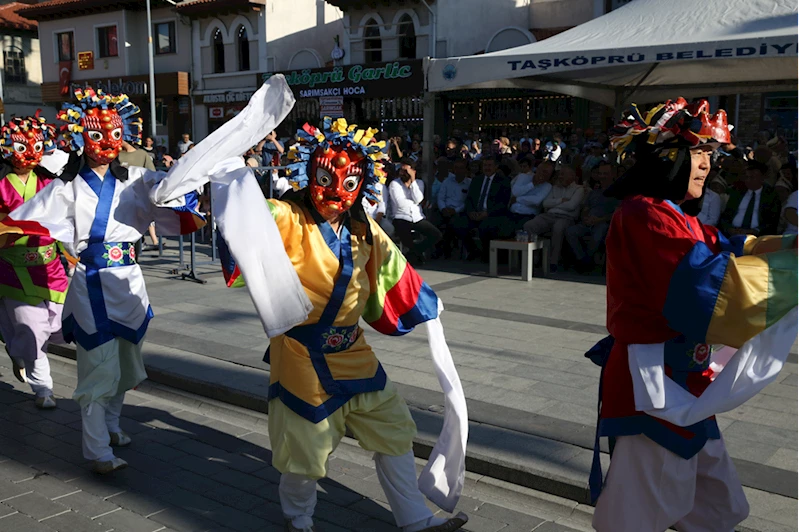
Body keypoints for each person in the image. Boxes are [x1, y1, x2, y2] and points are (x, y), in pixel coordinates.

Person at [0, 81, 288, 474]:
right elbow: (21, 222)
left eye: (115, 134)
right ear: (82, 135)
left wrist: (181, 186)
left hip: (130, 281)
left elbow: (177, 200)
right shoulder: (65, 188)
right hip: (91, 284)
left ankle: (113, 425)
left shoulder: (136, 179)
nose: (107, 141)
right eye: (97, 133)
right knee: (99, 367)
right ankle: (97, 448)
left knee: (125, 365)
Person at [213, 117, 468, 532]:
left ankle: (415, 519)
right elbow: (248, 220)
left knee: (394, 429)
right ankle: (299, 518)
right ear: (308, 172)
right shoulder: (287, 216)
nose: (335, 191)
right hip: (302, 354)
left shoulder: (363, 228)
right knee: (306, 450)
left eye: (349, 183)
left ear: (363, 183)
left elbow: (393, 271)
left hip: (354, 351)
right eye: (325, 177)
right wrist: (227, 178)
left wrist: (426, 304)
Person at [589, 97, 797, 532]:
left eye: (709, 155)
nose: (707, 164)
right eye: (699, 153)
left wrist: (788, 246)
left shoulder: (671, 214)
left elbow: (729, 245)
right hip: (655, 386)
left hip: (684, 380)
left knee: (715, 506)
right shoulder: (645, 213)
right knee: (637, 517)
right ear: (668, 156)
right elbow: (706, 287)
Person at [0, 114, 68, 409]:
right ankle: (44, 389)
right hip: (13, 268)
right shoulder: (1, 183)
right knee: (30, 326)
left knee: (57, 325)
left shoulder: (50, 182)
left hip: (51, 266)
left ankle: (18, 352)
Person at [523, 165, 585, 272]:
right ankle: (533, 259)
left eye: (563, 174)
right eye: (560, 174)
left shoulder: (579, 189)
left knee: (558, 228)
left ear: (572, 176)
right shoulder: (554, 188)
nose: (560, 177)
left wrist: (554, 204)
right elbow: (545, 203)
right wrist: (561, 200)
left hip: (567, 218)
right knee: (529, 225)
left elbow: (571, 206)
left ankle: (553, 262)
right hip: (549, 216)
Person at [453, 156, 511, 262]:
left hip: (491, 215)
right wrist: (470, 212)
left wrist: (487, 213)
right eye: (485, 165)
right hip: (475, 213)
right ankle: (473, 250)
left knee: (486, 227)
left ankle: (487, 255)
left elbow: (503, 203)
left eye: (490, 165)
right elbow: (469, 198)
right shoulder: (477, 180)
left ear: (496, 167)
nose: (487, 168)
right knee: (458, 223)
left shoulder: (503, 181)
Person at [565, 161, 619, 273]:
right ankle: (583, 259)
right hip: (588, 221)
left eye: (606, 173)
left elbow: (617, 213)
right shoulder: (594, 192)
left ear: (613, 174)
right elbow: (585, 207)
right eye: (601, 173)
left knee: (599, 233)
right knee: (570, 231)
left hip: (605, 223)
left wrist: (600, 220)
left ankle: (587, 260)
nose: (602, 176)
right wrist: (585, 217)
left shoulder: (618, 193)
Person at [389, 158, 442, 265]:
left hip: (417, 217)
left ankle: (414, 253)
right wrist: (412, 202)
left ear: (413, 171)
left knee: (436, 235)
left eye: (406, 171)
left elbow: (418, 199)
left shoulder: (419, 183)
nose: (403, 173)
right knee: (405, 236)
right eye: (401, 170)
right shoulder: (394, 184)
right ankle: (414, 255)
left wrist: (412, 181)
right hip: (401, 217)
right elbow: (400, 203)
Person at [718, 160, 781, 236]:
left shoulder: (770, 196)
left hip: (758, 236)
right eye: (747, 177)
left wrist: (755, 231)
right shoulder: (737, 193)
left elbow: (772, 221)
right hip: (733, 233)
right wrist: (729, 229)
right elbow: (726, 215)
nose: (748, 180)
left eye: (752, 177)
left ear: (762, 178)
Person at [436, 158, 471, 257]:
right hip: (444, 210)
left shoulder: (469, 183)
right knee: (435, 221)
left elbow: (467, 202)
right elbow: (440, 197)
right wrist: (443, 208)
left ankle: (445, 249)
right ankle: (441, 248)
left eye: (461, 168)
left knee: (453, 222)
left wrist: (455, 210)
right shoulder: (447, 182)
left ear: (465, 170)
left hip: (460, 212)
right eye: (456, 168)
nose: (458, 170)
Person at [508, 158, 552, 229]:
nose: (542, 174)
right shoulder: (522, 177)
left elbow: (536, 201)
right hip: (511, 213)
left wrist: (517, 199)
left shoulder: (547, 186)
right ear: (537, 170)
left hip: (528, 216)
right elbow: (515, 192)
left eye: (546, 172)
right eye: (541, 170)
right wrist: (532, 184)